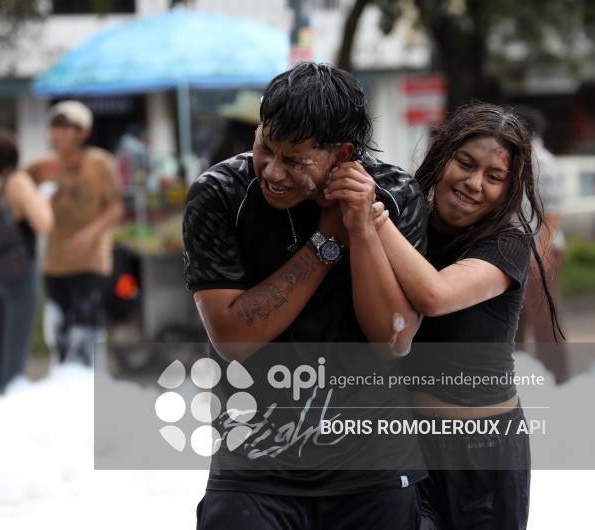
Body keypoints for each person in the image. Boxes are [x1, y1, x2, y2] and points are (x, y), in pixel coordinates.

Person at [183, 61, 427, 530]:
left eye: (295, 160)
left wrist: (361, 226)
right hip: (254, 462)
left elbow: (393, 339)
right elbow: (233, 338)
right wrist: (326, 243)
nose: (272, 172)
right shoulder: (219, 194)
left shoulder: (395, 195)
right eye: (264, 147)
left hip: (372, 463)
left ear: (342, 155)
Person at [343, 103, 560, 529]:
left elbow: (434, 295)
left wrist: (372, 217)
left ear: (509, 189)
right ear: (442, 157)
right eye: (465, 163)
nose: (475, 183)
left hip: (486, 455)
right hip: (410, 449)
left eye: (494, 177)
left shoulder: (506, 245)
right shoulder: (411, 226)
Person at [27, 101, 124, 367]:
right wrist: (38, 207)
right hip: (55, 261)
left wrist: (89, 235)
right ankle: (62, 391)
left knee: (86, 334)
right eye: (54, 128)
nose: (57, 134)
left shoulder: (100, 162)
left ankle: (87, 393)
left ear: (83, 132)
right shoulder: (41, 167)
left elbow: (116, 207)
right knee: (57, 334)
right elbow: (22, 207)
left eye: (65, 128)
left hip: (91, 260)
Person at [0, 130, 54, 394]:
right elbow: (43, 224)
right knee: (15, 351)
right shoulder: (16, 181)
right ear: (14, 155)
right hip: (20, 273)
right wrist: (44, 202)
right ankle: (10, 411)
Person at [514, 105, 570, 384]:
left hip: (541, 250)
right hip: (519, 251)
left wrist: (542, 255)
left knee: (543, 318)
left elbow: (554, 214)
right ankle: (515, 378)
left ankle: (558, 379)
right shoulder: (518, 158)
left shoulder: (542, 161)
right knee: (515, 318)